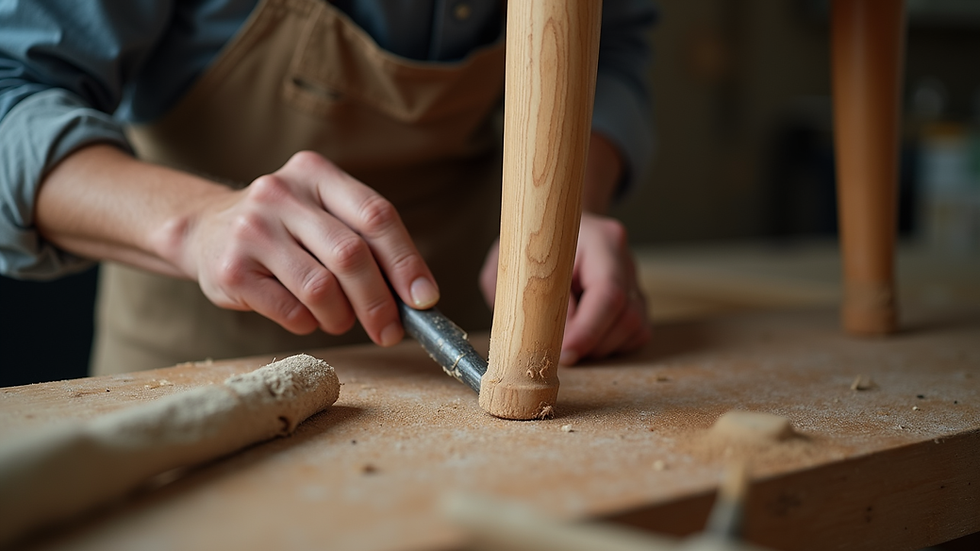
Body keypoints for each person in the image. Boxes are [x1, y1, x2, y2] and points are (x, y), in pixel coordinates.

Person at [0, 1, 657, 375]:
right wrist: (196, 222)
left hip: (462, 355)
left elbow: (613, 49)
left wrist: (570, 206)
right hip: (193, 367)